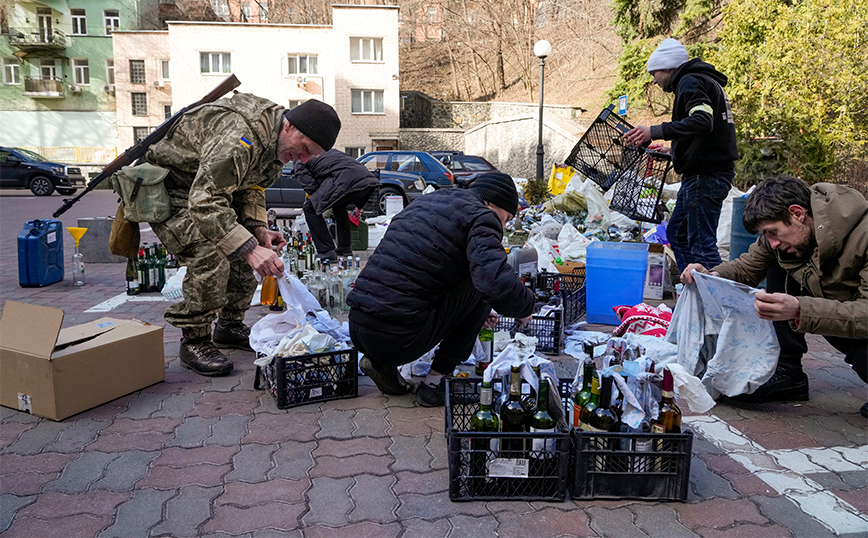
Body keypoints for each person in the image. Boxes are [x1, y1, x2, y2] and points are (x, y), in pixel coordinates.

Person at [144, 97, 341, 376]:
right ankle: (194, 341)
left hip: (208, 192)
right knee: (211, 250)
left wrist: (258, 230)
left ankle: (229, 326)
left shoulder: (275, 145)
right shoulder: (240, 136)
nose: (304, 159)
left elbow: (251, 188)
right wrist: (249, 249)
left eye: (312, 155)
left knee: (247, 241)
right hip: (173, 191)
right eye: (305, 148)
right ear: (289, 126)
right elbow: (204, 200)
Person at [680, 175, 868, 416]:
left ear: (797, 213)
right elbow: (746, 268)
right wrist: (709, 274)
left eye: (773, 232)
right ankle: (788, 374)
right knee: (780, 262)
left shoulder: (863, 234)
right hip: (844, 319)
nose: (773, 242)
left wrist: (801, 309)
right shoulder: (786, 236)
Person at [346, 172, 535, 406]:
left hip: (358, 326)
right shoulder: (482, 216)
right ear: (491, 203)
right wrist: (525, 307)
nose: (503, 226)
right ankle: (434, 383)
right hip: (398, 338)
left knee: (475, 283)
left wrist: (470, 315)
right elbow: (493, 280)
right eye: (505, 218)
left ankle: (380, 364)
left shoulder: (426, 202)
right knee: (482, 284)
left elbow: (421, 269)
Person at [624, 38, 738, 272]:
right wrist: (675, 151)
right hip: (705, 172)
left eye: (654, 73)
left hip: (705, 176)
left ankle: (714, 299)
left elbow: (702, 121)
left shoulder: (689, 82)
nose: (654, 80)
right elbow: (706, 131)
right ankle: (693, 290)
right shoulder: (703, 82)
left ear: (667, 67)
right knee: (678, 234)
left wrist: (654, 132)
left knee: (701, 244)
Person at [296, 148, 380, 262]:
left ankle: (326, 251)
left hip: (344, 178)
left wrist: (316, 200)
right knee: (338, 206)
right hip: (366, 179)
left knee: (310, 208)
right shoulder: (325, 150)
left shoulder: (300, 161)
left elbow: (310, 187)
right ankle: (344, 247)